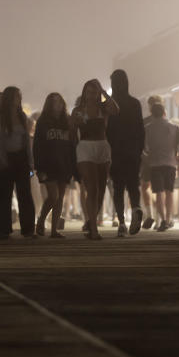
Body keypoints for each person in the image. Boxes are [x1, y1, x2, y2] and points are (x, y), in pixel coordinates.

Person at [72, 79, 119, 240]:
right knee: (91, 188)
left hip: (102, 147)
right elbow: (72, 129)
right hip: (85, 147)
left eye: (94, 92)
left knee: (100, 190)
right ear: (84, 93)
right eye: (89, 92)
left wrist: (106, 93)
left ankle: (91, 220)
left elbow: (116, 110)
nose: (91, 95)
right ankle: (93, 228)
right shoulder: (78, 110)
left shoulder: (103, 108)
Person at [106, 69, 146, 236]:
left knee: (118, 187)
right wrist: (140, 149)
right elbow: (140, 129)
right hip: (132, 151)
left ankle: (121, 222)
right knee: (133, 184)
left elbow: (107, 130)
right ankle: (136, 208)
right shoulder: (135, 103)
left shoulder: (110, 104)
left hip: (115, 150)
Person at [0, 86, 34, 238]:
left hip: (21, 158)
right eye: (16, 96)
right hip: (5, 158)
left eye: (20, 96)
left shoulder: (22, 116)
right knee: (4, 196)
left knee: (25, 195)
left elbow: (26, 140)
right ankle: (2, 229)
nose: (19, 99)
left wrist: (30, 161)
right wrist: (1, 160)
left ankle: (28, 229)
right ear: (10, 98)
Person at [33, 93, 76, 238]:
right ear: (49, 104)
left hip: (64, 163)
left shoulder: (67, 121)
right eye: (54, 101)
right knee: (53, 196)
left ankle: (54, 230)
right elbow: (37, 145)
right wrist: (39, 167)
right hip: (48, 164)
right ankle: (41, 220)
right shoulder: (43, 121)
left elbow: (72, 144)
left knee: (61, 197)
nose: (57, 104)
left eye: (59, 101)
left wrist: (72, 165)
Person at [144, 102, 179, 231]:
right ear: (164, 112)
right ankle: (169, 219)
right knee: (169, 192)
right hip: (170, 163)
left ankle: (163, 220)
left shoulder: (147, 128)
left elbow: (142, 145)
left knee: (159, 193)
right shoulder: (173, 127)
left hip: (154, 164)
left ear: (152, 114)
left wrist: (148, 153)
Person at [140, 95, 163, 229]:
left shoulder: (145, 122)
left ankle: (151, 215)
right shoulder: (169, 122)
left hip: (149, 159)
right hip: (163, 159)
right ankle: (160, 218)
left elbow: (140, 142)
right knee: (160, 191)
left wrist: (143, 155)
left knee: (146, 187)